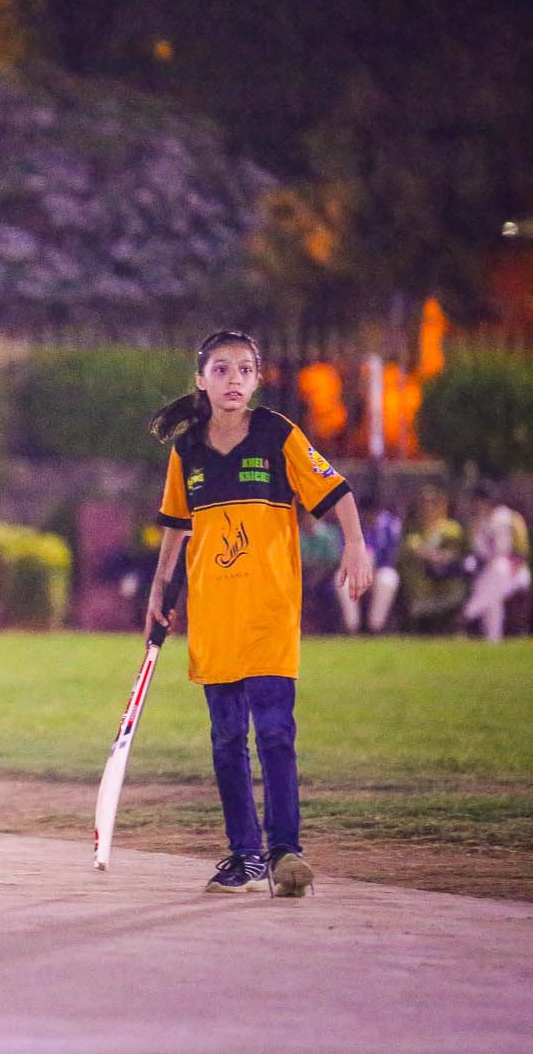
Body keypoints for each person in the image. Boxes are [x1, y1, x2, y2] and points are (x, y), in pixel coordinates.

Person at [146, 330, 372, 898]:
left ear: (257, 380)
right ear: (201, 380)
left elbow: (336, 491)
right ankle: (244, 856)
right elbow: (175, 530)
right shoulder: (187, 451)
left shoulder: (277, 434)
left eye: (244, 370)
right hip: (214, 616)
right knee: (227, 739)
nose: (234, 380)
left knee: (274, 732)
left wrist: (355, 544)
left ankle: (285, 851)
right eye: (221, 369)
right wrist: (159, 591)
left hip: (270, 611)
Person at [460, 483, 532, 642]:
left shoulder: (509, 517)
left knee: (496, 572)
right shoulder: (478, 522)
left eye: (478, 501)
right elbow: (480, 553)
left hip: (513, 570)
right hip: (492, 572)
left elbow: (521, 549)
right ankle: (492, 638)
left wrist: (514, 564)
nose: (475, 505)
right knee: (490, 592)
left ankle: (465, 616)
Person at [396, 485, 467, 632]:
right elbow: (413, 548)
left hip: (447, 580)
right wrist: (435, 556)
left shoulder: (452, 528)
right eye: (423, 503)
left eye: (433, 502)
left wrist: (436, 557)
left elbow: (455, 554)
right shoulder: (412, 528)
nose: (428, 507)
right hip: (420, 581)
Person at [336, 493, 402, 634]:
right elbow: (342, 554)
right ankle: (352, 627)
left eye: (374, 512)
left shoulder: (390, 526)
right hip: (354, 572)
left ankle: (375, 627)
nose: (371, 517)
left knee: (388, 579)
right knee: (341, 580)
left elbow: (392, 556)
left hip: (380, 570)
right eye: (367, 513)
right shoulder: (352, 524)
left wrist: (373, 570)